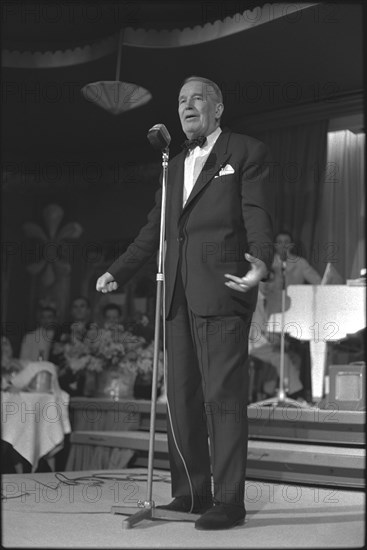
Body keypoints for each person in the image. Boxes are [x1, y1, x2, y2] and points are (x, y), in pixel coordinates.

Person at [96, 76, 274, 530]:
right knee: (182, 399)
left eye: (197, 98)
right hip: (176, 296)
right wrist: (118, 270)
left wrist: (262, 261)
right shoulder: (171, 165)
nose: (186, 105)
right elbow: (152, 232)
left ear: (217, 108)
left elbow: (257, 213)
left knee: (224, 400)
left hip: (223, 290)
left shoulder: (244, 151)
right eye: (180, 100)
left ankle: (230, 501)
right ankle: (192, 493)